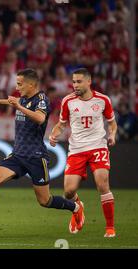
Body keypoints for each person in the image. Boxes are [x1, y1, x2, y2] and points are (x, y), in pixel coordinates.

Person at [0, 69, 84, 231]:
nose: (17, 87)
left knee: (45, 201)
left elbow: (40, 118)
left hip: (36, 157)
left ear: (31, 84)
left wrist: (18, 106)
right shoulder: (24, 98)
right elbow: (15, 101)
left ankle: (76, 208)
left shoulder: (41, 99)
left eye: (20, 84)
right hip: (18, 155)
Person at [49, 68, 118, 237]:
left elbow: (112, 123)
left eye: (79, 81)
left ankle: (110, 227)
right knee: (68, 192)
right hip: (77, 150)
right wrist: (53, 134)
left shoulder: (103, 100)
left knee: (102, 184)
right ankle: (78, 207)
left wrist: (112, 134)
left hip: (97, 146)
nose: (75, 85)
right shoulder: (67, 101)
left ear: (89, 81)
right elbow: (62, 124)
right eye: (73, 82)